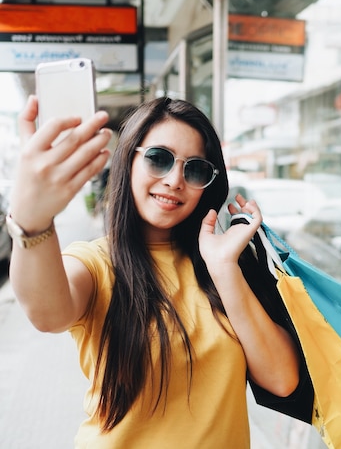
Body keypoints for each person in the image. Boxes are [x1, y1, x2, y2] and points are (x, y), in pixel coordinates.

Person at [8, 95, 300, 448]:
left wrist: (224, 268)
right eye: (159, 159)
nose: (175, 180)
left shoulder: (222, 264)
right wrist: (32, 217)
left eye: (194, 169)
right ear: (128, 161)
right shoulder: (96, 263)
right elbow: (47, 313)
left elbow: (282, 380)